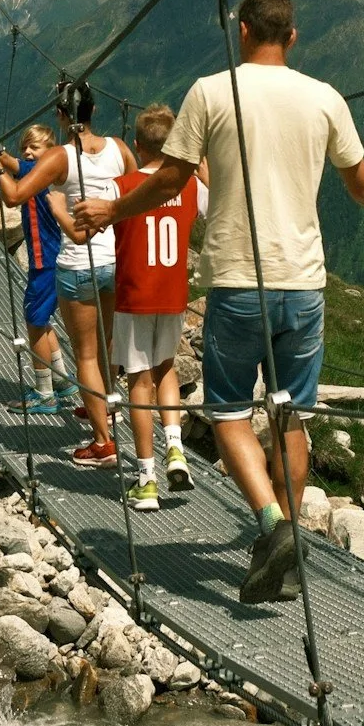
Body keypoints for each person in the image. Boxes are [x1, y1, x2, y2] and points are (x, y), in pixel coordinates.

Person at [74, 0, 364, 601]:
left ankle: (272, 525)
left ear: (242, 30)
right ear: (291, 36)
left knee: (229, 413)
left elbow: (168, 180)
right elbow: (359, 180)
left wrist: (111, 210)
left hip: (239, 282)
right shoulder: (324, 99)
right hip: (304, 284)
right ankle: (289, 533)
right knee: (291, 411)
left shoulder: (211, 92)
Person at [0, 85, 135, 465]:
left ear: (60, 115)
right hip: (114, 261)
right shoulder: (119, 148)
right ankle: (106, 409)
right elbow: (137, 190)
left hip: (78, 264)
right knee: (106, 346)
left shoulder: (59, 156)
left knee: (85, 355)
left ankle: (103, 442)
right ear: (93, 109)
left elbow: (15, 195)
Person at [0, 119, 82, 416]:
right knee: (42, 319)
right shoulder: (42, 171)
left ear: (51, 151)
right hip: (49, 257)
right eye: (26, 147)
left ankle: (45, 393)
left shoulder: (39, 175)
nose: (29, 153)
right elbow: (9, 162)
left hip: (44, 258)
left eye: (35, 148)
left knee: (34, 321)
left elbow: (10, 194)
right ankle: (61, 381)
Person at [112, 103, 206, 508]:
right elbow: (214, 203)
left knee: (138, 380)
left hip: (133, 296)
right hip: (172, 296)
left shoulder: (121, 185)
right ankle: (176, 448)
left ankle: (146, 478)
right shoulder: (188, 185)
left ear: (137, 145)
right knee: (166, 367)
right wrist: (197, 163)